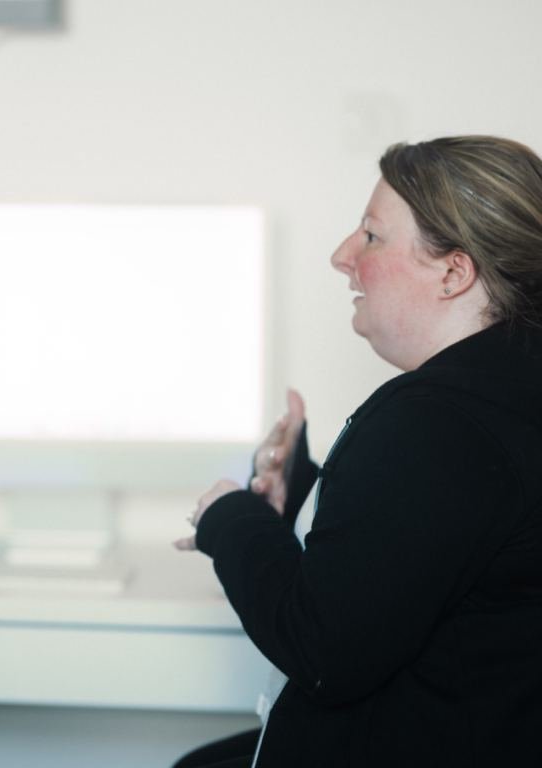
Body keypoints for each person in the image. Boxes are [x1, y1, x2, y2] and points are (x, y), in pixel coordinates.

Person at [173, 135, 542, 767]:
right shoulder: (505, 393)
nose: (344, 256)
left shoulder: (436, 422)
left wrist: (229, 518)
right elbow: (435, 557)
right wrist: (304, 493)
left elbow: (324, 652)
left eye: (371, 236)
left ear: (453, 271)